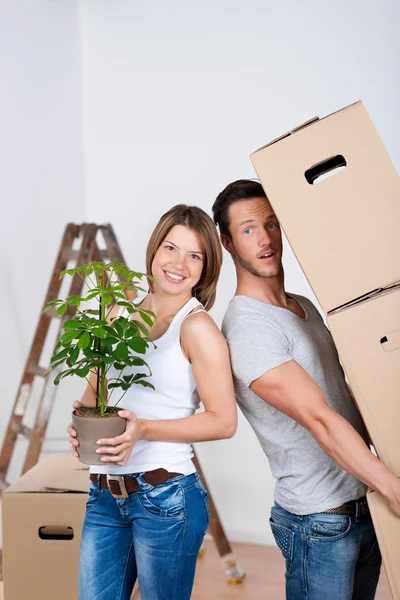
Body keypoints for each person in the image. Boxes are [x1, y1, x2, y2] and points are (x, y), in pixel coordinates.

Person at [212, 179, 400, 600]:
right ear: (227, 242)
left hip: (362, 503)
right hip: (319, 522)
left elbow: (346, 400)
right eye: (247, 229)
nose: (264, 239)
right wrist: (392, 487)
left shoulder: (302, 306)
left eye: (272, 223)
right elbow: (320, 419)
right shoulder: (248, 327)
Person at [67, 204, 237, 600]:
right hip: (105, 494)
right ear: (154, 251)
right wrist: (80, 427)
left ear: (205, 267)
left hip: (166, 499)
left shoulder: (197, 327)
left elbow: (223, 421)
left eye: (194, 255)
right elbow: (93, 397)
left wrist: (143, 430)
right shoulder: (116, 314)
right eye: (171, 248)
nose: (179, 263)